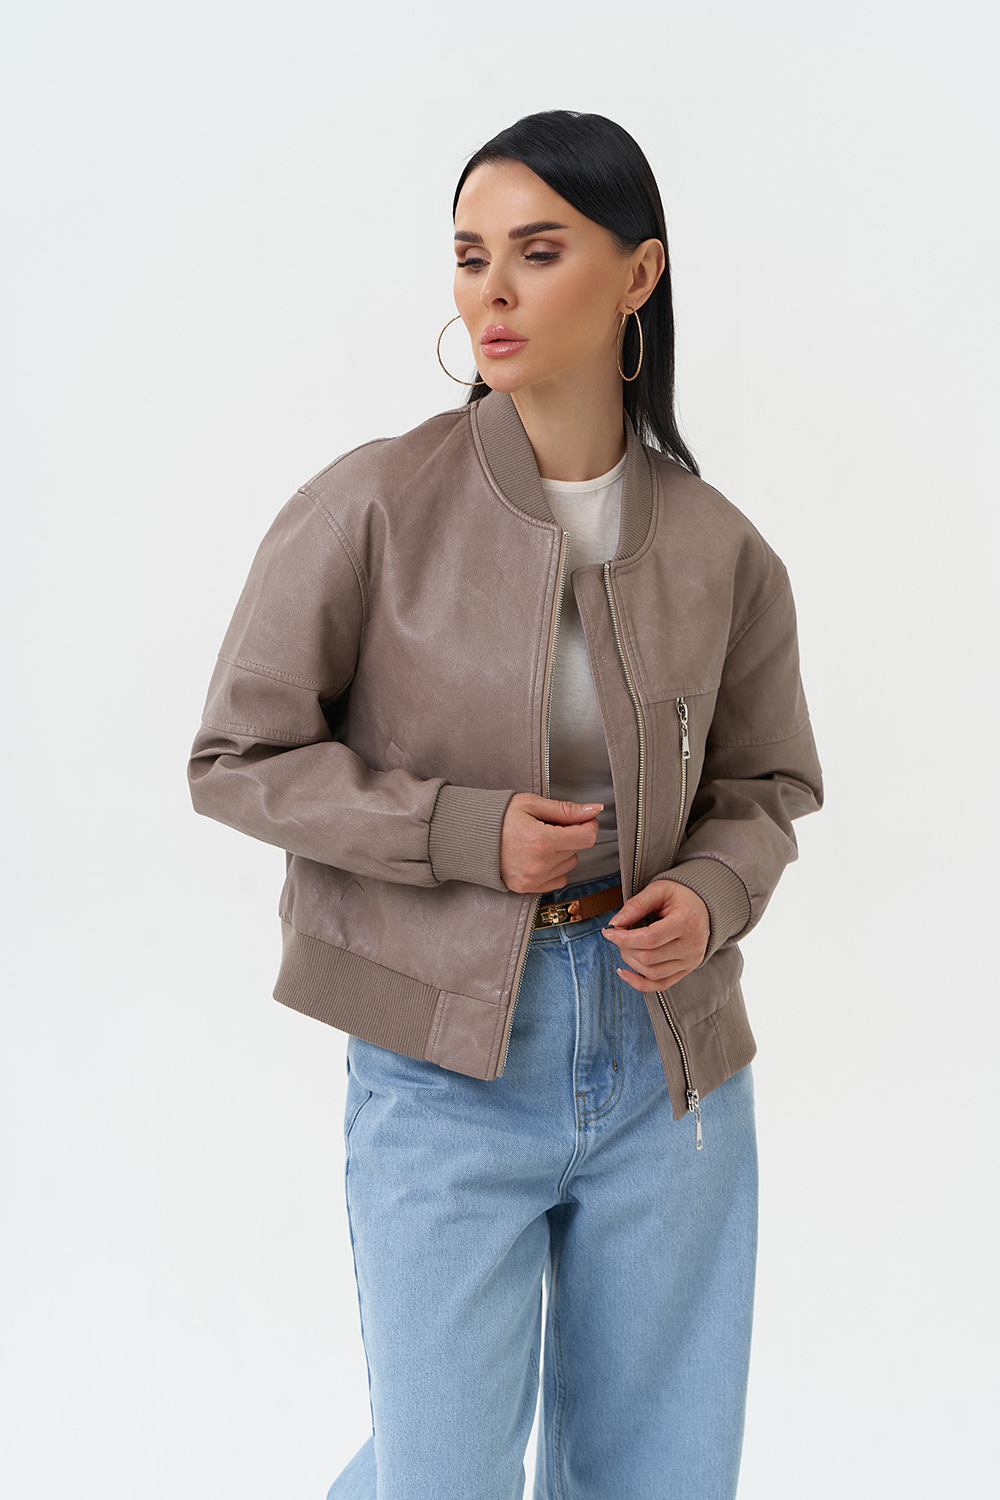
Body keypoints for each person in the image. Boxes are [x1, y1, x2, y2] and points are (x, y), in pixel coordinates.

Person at [187, 109, 823, 1500]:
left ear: (639, 275)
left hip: (670, 1061)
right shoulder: (372, 505)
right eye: (472, 256)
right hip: (442, 1062)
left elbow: (767, 787)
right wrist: (458, 832)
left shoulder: (722, 548)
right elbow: (236, 755)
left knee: (661, 1477)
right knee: (444, 1475)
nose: (494, 290)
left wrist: (711, 894)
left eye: (539, 252)